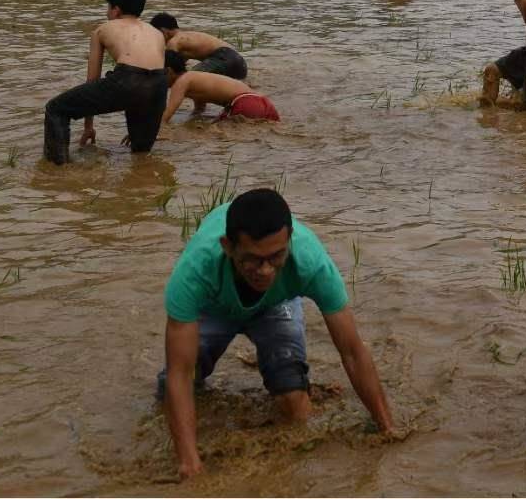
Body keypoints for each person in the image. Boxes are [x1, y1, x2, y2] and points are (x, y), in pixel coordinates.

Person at [159, 188, 393, 479]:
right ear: (227, 247)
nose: (266, 271)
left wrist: (387, 428)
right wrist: (189, 462)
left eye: (276, 256)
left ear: (289, 241)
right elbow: (180, 373)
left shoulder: (310, 260)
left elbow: (353, 353)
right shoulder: (195, 270)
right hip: (214, 307)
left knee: (293, 399)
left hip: (275, 304)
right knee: (171, 389)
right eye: (253, 259)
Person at [43, 0, 168, 164]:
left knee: (55, 109)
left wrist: (88, 126)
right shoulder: (156, 33)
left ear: (116, 10)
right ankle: (142, 175)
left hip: (128, 79)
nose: (107, 13)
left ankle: (56, 168)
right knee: (141, 153)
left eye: (108, 8)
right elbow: (151, 71)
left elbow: (92, 79)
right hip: (159, 85)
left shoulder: (103, 29)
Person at [163, 51, 281, 121]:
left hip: (244, 103)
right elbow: (200, 110)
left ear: (169, 71)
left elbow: (166, 117)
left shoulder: (181, 83)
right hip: (261, 102)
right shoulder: (192, 77)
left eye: (156, 74)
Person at [150, 15, 249, 79]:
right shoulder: (188, 37)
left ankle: (199, 106)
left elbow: (166, 68)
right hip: (240, 63)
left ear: (163, 31)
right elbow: (179, 67)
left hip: (224, 57)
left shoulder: (174, 42)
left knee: (188, 79)